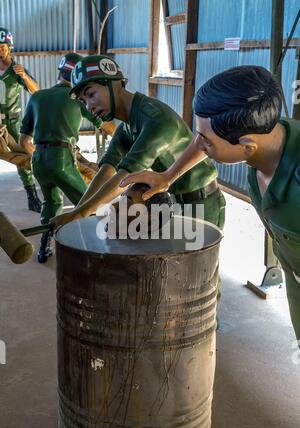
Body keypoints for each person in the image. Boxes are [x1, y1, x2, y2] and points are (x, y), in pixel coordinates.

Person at [120, 65, 300, 341]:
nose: (199, 144)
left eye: (207, 141)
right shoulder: (270, 135)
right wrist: (167, 177)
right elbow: (200, 143)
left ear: (246, 146)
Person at [51, 54, 225, 230]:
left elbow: (125, 175)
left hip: (202, 202)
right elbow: (107, 170)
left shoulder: (155, 118)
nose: (89, 107)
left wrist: (80, 214)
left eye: (91, 94)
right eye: (83, 101)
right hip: (172, 198)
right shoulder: (127, 127)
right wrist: (79, 210)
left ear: (114, 84)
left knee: (199, 257)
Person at [19, 53, 104, 263]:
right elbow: (105, 123)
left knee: (51, 202)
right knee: (87, 202)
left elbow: (23, 142)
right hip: (62, 158)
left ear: (60, 73)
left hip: (38, 160)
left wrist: (41, 157)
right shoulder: (76, 99)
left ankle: (44, 247)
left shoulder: (37, 97)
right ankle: (94, 250)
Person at [0, 27, 41, 212]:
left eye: (3, 46)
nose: (0, 50)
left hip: (14, 121)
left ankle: (31, 196)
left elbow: (36, 91)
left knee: (22, 158)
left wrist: (24, 76)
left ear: (9, 48)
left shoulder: (16, 70)